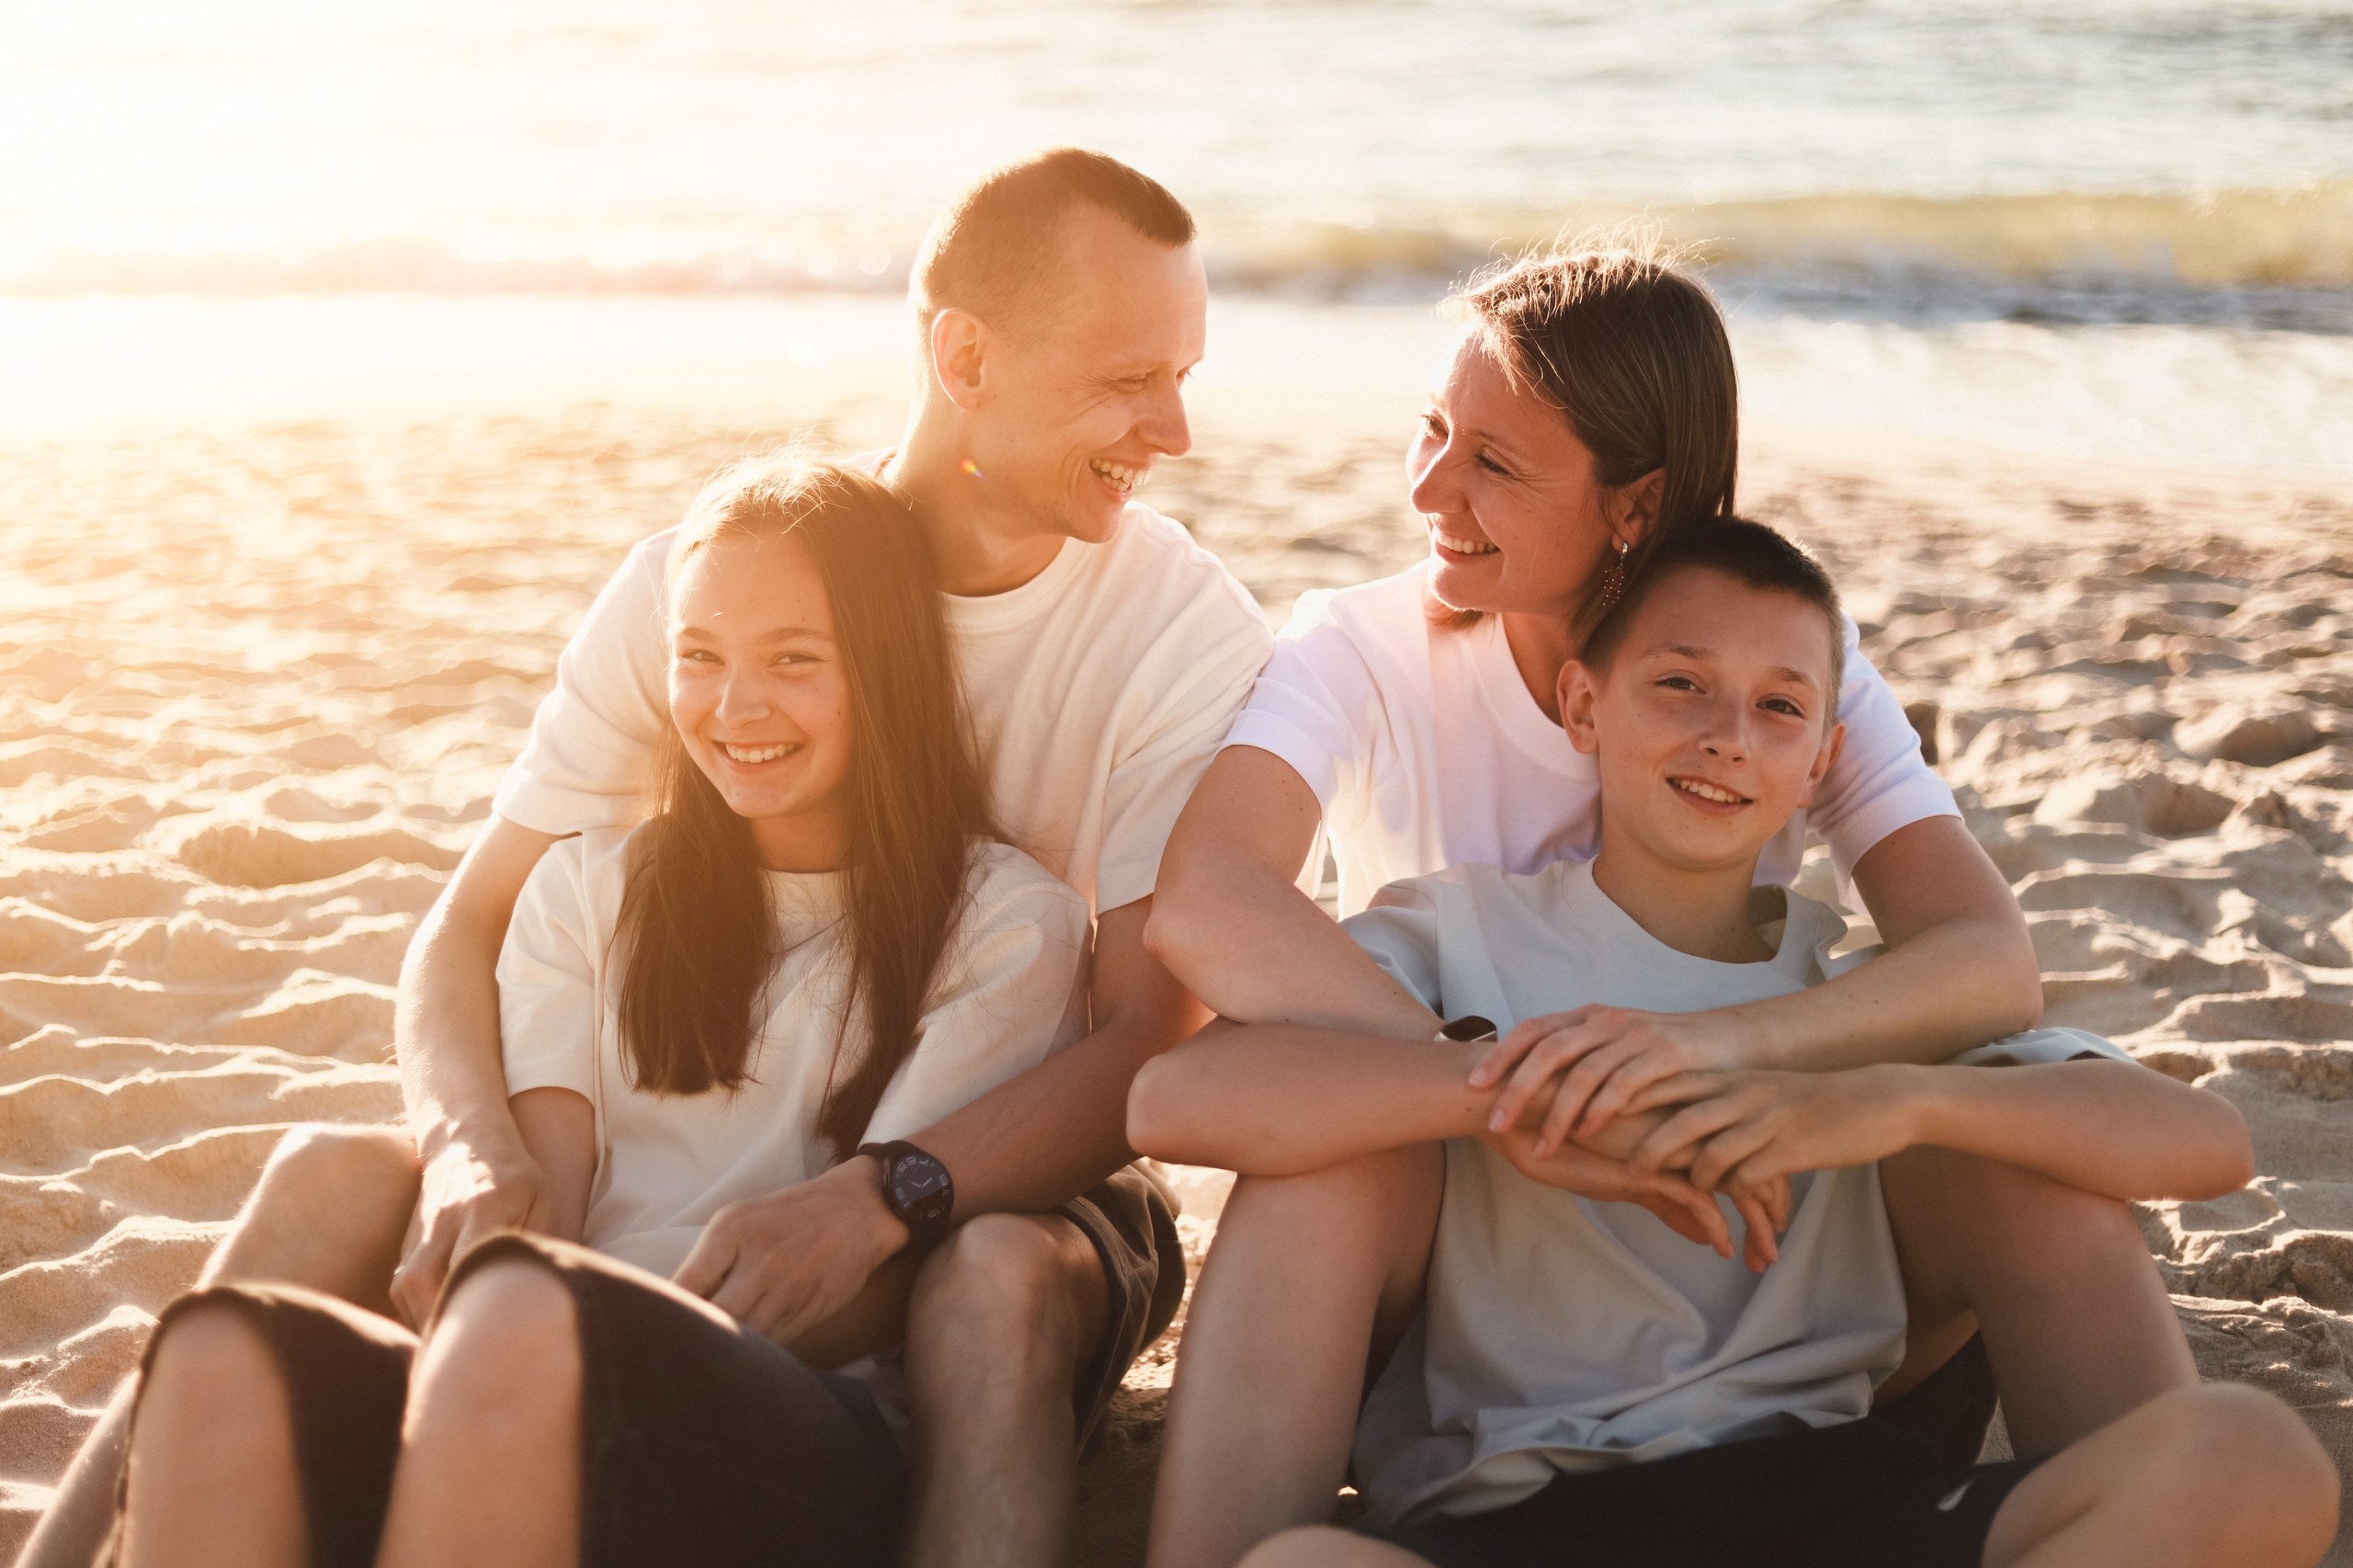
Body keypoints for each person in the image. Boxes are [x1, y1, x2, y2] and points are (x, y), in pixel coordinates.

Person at [25, 149, 1270, 1568]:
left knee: (981, 1277)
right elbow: (475, 929)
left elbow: (1144, 1044)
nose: (1174, 429)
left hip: (1023, 1154)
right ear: (965, 354)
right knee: (325, 1180)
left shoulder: (1179, 636)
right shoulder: (704, 583)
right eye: (1130, 378)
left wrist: (884, 1194)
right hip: (677, 1169)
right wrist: (470, 1152)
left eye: (1186, 374)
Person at [1139, 241, 2228, 1568]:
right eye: (1434, 431)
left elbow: (1986, 960)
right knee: (1328, 1166)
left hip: (1751, 1241)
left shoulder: (1774, 660)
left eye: (1495, 460)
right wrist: (1515, 1089)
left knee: (2033, 1169)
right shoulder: (1361, 650)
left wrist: (1711, 1056)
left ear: (1632, 504)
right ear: (1594, 711)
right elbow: (1208, 903)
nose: (1431, 485)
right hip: (1457, 1209)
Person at [104, 457, 1099, 1568]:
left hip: (799, 1420)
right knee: (221, 1350)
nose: (737, 706)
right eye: (699, 657)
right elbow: (551, 1194)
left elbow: (874, 1289)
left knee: (523, 1318)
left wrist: (569, 1334)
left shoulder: (1008, 925)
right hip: (533, 1358)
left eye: (794, 661)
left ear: (890, 667)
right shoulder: (586, 889)